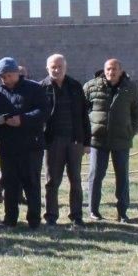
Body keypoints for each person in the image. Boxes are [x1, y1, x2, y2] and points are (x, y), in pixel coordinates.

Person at [0, 57, 50, 230]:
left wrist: (22, 120)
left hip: (31, 145)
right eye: (3, 76)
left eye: (10, 75)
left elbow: (43, 111)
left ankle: (34, 220)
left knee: (31, 183)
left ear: (17, 73)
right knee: (10, 183)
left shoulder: (34, 88)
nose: (7, 79)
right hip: (7, 145)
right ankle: (10, 220)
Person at [84, 59, 138, 223]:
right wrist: (87, 133)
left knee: (122, 177)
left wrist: (130, 131)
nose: (111, 72)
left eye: (115, 69)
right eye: (109, 69)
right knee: (95, 175)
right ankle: (93, 211)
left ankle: (123, 213)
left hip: (121, 140)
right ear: (104, 70)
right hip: (97, 139)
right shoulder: (91, 86)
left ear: (120, 70)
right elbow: (83, 110)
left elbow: (137, 112)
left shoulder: (130, 88)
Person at [39, 54, 90, 228]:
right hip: (52, 141)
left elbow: (84, 116)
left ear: (65, 67)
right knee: (52, 181)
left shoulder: (75, 86)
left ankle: (76, 216)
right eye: (53, 67)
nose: (56, 70)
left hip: (74, 140)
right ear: (47, 68)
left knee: (75, 179)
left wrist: (87, 142)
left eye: (60, 66)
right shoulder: (41, 88)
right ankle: (51, 216)